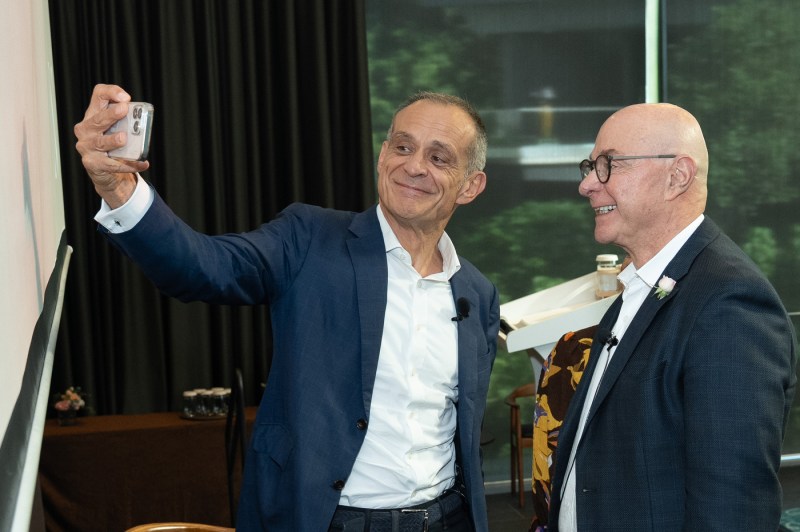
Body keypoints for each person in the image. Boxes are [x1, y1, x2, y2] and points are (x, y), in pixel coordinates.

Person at [74, 84, 500, 531]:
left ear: (470, 186)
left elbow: (463, 429)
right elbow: (202, 267)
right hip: (328, 520)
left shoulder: (477, 294)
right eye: (403, 147)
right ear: (382, 155)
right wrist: (119, 188)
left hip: (447, 518)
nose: (413, 166)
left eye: (438, 158)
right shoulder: (309, 238)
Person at [548, 103, 797, 531]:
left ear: (677, 176)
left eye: (609, 164)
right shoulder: (643, 284)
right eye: (590, 166)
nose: (587, 184)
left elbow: (732, 508)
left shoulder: (729, 305)